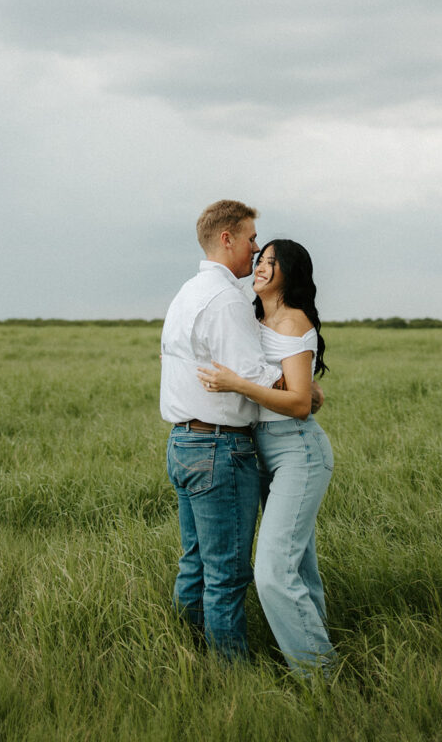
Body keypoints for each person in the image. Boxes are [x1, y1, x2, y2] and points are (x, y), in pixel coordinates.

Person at [197, 239, 335, 677]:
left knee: (274, 573)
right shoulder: (252, 315)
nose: (259, 267)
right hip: (260, 451)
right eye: (259, 260)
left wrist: (238, 385)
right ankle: (317, 654)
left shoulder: (294, 322)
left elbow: (298, 403)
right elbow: (303, 391)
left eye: (271, 262)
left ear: (288, 273)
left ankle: (322, 680)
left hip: (297, 450)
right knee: (299, 568)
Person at [159, 200, 283, 660]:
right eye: (251, 238)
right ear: (226, 238)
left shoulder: (186, 292)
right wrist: (303, 387)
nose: (256, 248)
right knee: (227, 574)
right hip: (219, 448)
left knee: (194, 565)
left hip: (182, 443)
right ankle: (232, 680)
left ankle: (187, 655)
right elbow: (259, 379)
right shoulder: (227, 300)